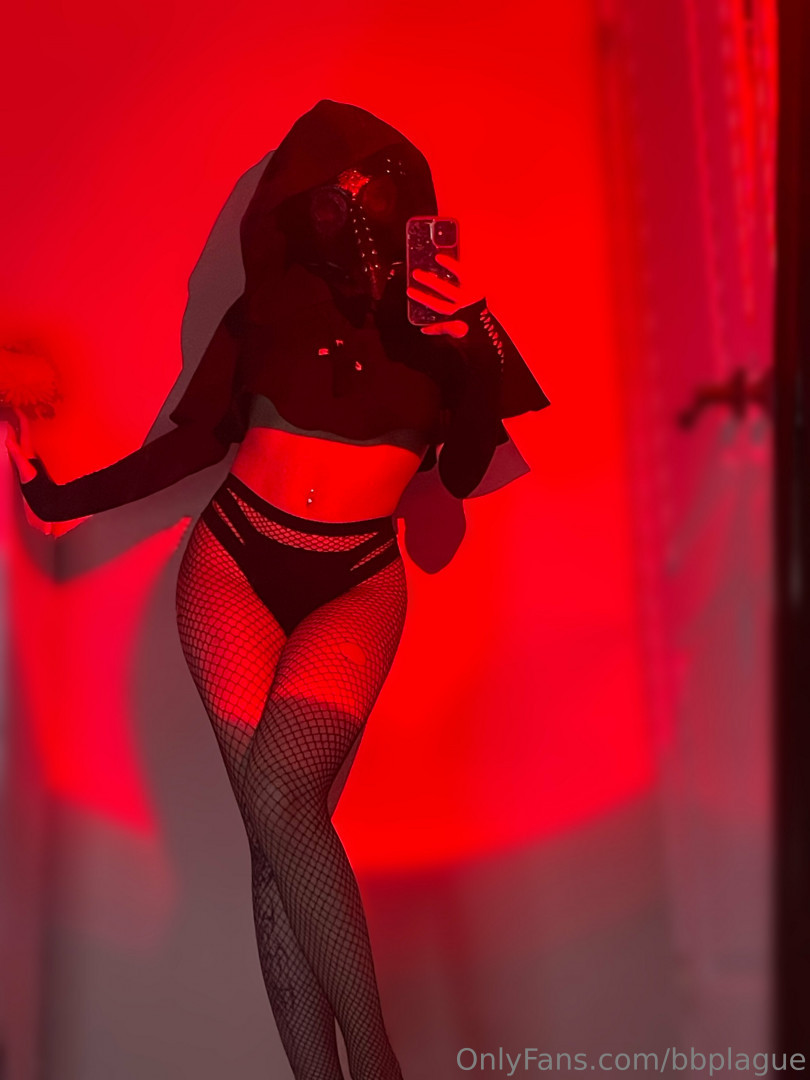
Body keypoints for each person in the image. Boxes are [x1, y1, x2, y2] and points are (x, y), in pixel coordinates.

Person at [6, 100, 550, 1080]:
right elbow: (190, 446)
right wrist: (58, 498)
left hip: (357, 577)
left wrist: (470, 342)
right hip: (234, 559)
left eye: (364, 200)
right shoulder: (268, 307)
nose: (343, 219)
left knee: (279, 805)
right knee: (278, 835)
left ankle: (375, 1065)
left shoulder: (448, 326)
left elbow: (464, 477)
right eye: (324, 201)